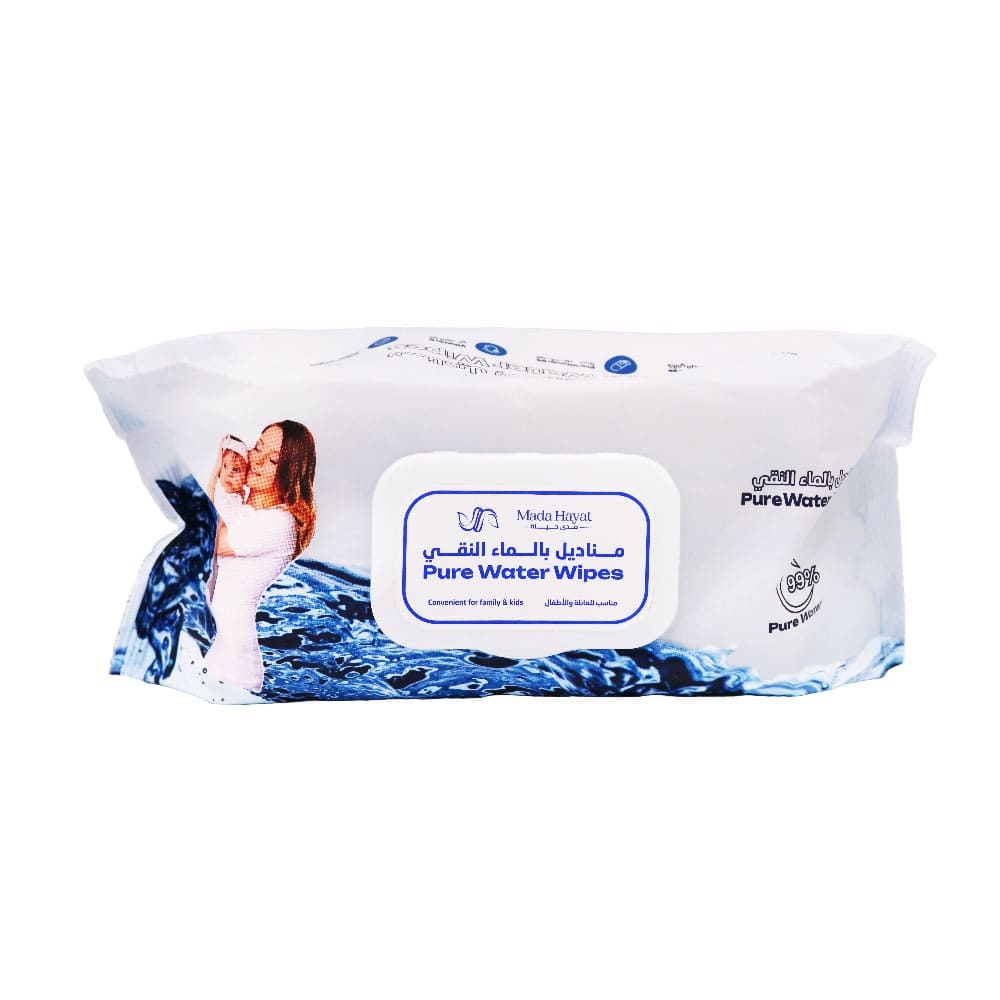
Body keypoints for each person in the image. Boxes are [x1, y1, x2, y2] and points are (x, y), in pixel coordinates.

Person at [203, 421, 317, 692]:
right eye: (257, 448)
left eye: (273, 460)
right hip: (220, 647)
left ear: (290, 473)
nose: (257, 460)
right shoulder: (244, 508)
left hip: (236, 665)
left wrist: (219, 469)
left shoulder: (278, 523)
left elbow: (205, 537)